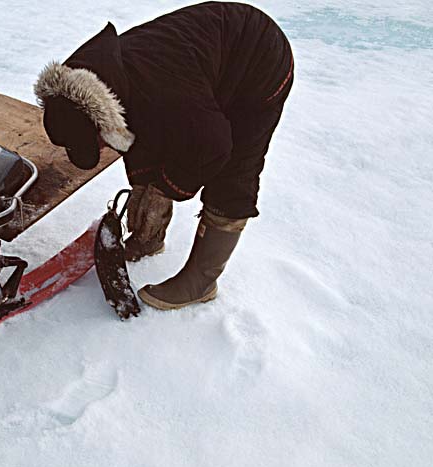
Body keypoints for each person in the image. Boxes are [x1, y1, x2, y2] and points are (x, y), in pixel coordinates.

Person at [34, 2, 293, 310]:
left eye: (98, 143)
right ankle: (150, 238)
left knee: (234, 171)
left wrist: (166, 190)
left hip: (258, 60)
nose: (103, 149)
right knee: (152, 134)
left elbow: (213, 146)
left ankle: (201, 281)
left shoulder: (164, 95)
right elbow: (140, 138)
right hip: (199, 66)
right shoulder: (105, 84)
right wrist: (144, 188)